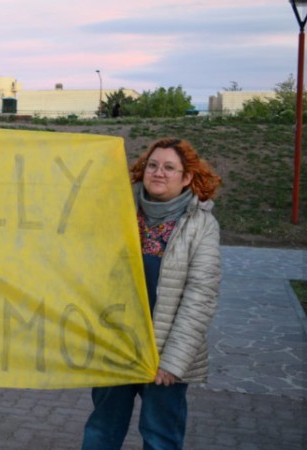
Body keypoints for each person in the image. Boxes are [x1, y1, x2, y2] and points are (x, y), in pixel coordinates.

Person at [81, 138, 222, 449]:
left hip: (166, 355)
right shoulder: (119, 213)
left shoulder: (201, 226)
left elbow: (200, 298)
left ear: (187, 177)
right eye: (153, 165)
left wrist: (172, 362)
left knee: (161, 438)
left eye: (169, 167)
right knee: (101, 431)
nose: (159, 172)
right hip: (117, 347)